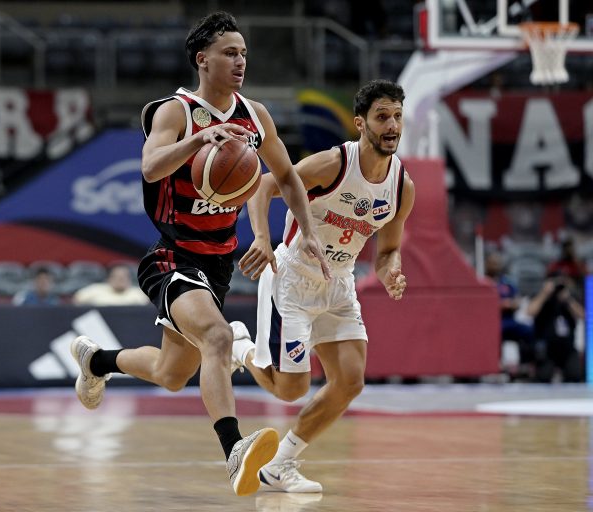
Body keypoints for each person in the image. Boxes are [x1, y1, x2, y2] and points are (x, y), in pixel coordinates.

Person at [69, 11, 330, 497]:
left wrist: (308, 231)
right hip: (172, 255)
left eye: (244, 53)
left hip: (218, 261)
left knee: (172, 374)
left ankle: (97, 361)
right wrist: (198, 139)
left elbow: (287, 176)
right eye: (230, 53)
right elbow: (150, 168)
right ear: (202, 59)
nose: (240, 61)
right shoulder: (176, 111)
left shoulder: (255, 115)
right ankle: (234, 450)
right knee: (217, 335)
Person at [232, 79, 415, 493]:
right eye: (382, 117)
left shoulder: (402, 186)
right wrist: (261, 238)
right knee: (290, 389)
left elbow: (387, 251)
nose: (392, 126)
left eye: (397, 117)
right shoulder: (333, 164)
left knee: (350, 380)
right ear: (360, 123)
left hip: (339, 284)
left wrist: (391, 271)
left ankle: (280, 465)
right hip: (293, 280)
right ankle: (239, 348)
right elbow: (264, 186)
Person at [526, 272, 585, 382]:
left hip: (567, 348)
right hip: (547, 349)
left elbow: (583, 315)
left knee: (575, 375)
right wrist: (545, 293)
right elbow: (530, 312)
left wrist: (568, 300)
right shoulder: (542, 296)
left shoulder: (569, 297)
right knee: (543, 377)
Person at [484, 250, 536, 374]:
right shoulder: (483, 282)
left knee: (529, 330)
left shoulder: (507, 282)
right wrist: (500, 305)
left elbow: (517, 301)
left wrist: (511, 304)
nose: (495, 266)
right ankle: (495, 364)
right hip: (492, 322)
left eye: (497, 263)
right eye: (492, 263)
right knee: (493, 333)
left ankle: (526, 363)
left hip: (509, 320)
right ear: (487, 264)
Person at [72, 263, 149, 306]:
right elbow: (76, 300)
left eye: (124, 277)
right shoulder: (95, 289)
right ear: (109, 279)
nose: (121, 280)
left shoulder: (139, 294)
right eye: (117, 277)